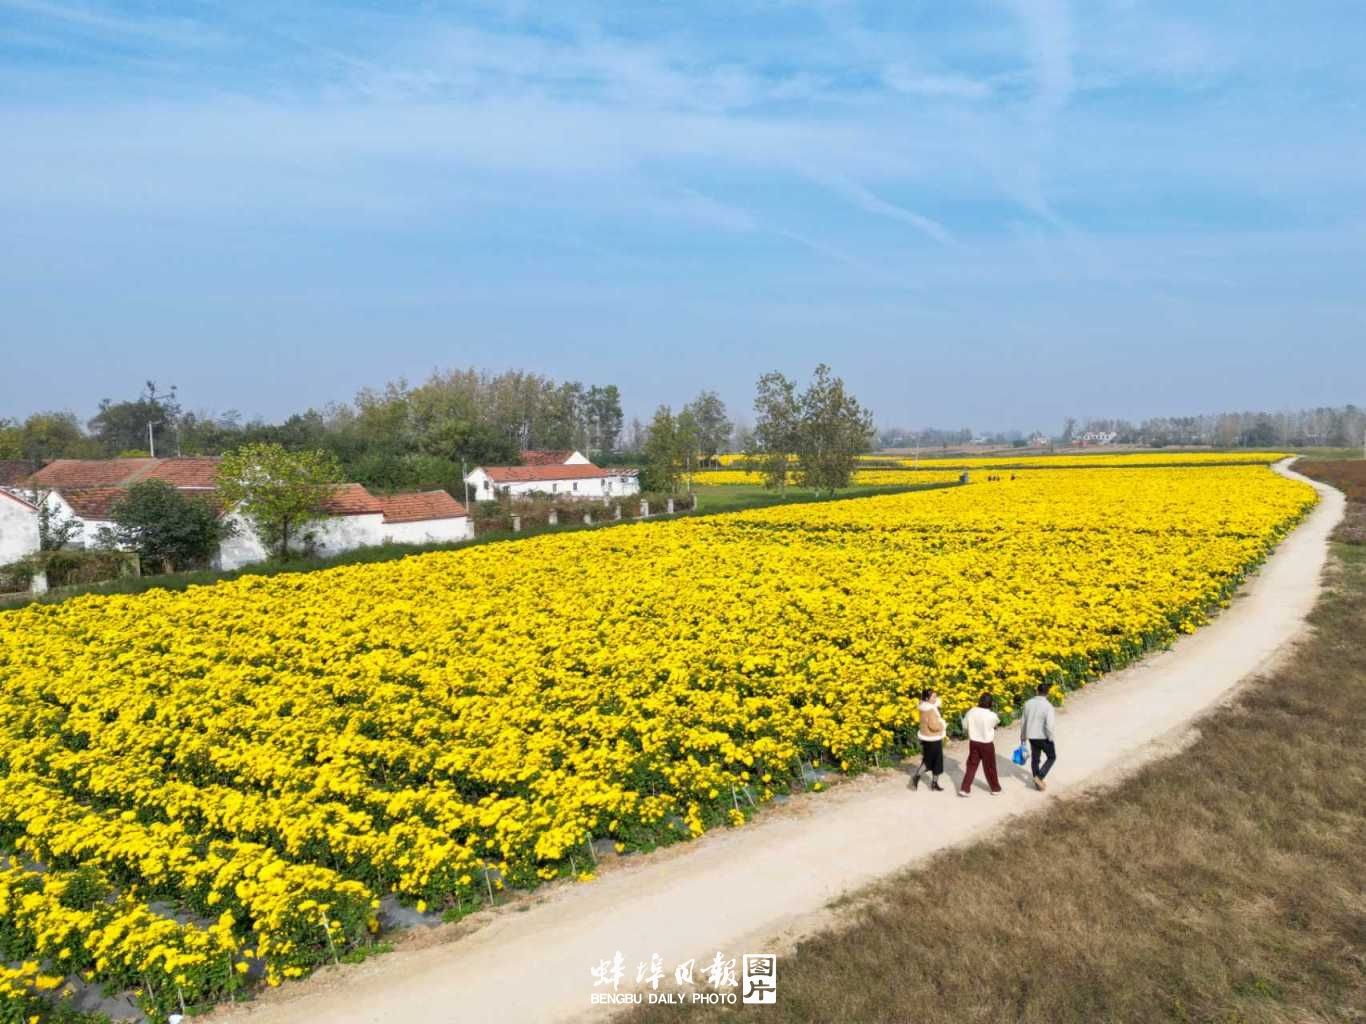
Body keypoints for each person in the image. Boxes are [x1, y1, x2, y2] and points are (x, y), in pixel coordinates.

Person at [959, 693, 1002, 796]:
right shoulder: (992, 715)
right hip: (987, 743)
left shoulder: (971, 711)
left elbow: (964, 726)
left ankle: (965, 788)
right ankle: (995, 788)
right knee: (990, 766)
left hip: (974, 742)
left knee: (971, 765)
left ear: (980, 701)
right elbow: (995, 724)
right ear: (991, 703)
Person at [1018, 681, 1058, 790]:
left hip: (1031, 736)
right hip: (1043, 737)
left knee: (1035, 759)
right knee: (1052, 757)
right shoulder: (1048, 706)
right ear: (1047, 693)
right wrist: (1050, 737)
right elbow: (1049, 725)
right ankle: (1039, 777)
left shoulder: (1028, 703)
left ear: (1037, 691)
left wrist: (1023, 736)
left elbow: (1023, 721)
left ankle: (1037, 784)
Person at [912, 688, 946, 791]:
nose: (936, 698)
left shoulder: (923, 707)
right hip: (933, 738)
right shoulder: (930, 710)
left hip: (926, 738)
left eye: (936, 696)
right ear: (927, 698)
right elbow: (934, 726)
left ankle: (922, 778)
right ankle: (923, 779)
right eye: (934, 697)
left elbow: (937, 702)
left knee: (928, 759)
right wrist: (943, 724)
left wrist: (935, 702)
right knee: (935, 761)